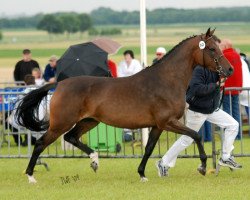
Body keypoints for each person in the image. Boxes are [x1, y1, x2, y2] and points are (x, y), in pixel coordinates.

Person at [156, 65, 242, 177]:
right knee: (187, 140)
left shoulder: (216, 69)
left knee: (233, 125)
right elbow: (196, 89)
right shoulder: (199, 69)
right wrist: (216, 85)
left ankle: (225, 157)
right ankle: (163, 163)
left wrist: (222, 80)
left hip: (211, 109)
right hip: (198, 111)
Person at [220, 39, 243, 139]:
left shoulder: (224, 56)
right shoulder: (236, 55)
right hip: (236, 88)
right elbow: (239, 73)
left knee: (227, 113)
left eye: (221, 45)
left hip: (227, 88)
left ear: (225, 46)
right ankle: (238, 135)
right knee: (236, 112)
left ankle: (229, 135)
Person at [118, 50, 143, 141]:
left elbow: (137, 74)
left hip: (135, 88)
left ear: (131, 56)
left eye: (128, 56)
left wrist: (127, 78)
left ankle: (139, 132)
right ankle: (127, 133)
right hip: (124, 88)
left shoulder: (136, 63)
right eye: (125, 57)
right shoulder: (121, 64)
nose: (126, 58)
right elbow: (119, 75)